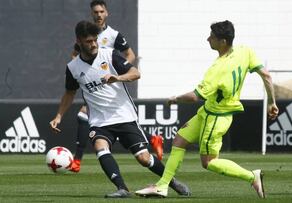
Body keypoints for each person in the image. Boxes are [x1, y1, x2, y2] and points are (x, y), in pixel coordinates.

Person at [135, 20, 278, 198]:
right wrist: (272, 102)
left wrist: (175, 98)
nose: (207, 39)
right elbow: (266, 75)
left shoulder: (217, 69)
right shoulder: (244, 50)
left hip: (217, 118)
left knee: (209, 162)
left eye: (212, 36)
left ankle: (251, 176)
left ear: (223, 41)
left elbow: (195, 96)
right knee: (179, 139)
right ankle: (162, 186)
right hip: (208, 111)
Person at [49, 20, 190, 198]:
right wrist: (59, 116)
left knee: (143, 158)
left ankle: (173, 182)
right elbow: (69, 93)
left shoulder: (109, 55)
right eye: (88, 41)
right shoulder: (73, 67)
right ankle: (122, 188)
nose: (93, 44)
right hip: (99, 121)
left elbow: (136, 73)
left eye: (95, 40)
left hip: (123, 115)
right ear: (79, 41)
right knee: (100, 147)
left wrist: (118, 78)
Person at [70, 0, 163, 173]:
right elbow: (75, 55)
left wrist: (120, 72)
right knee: (85, 116)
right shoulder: (86, 34)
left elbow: (130, 54)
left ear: (107, 13)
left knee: (86, 116)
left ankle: (77, 159)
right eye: (95, 12)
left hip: (111, 86)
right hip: (95, 86)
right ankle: (152, 139)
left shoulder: (113, 35)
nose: (98, 15)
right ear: (92, 14)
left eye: (101, 12)